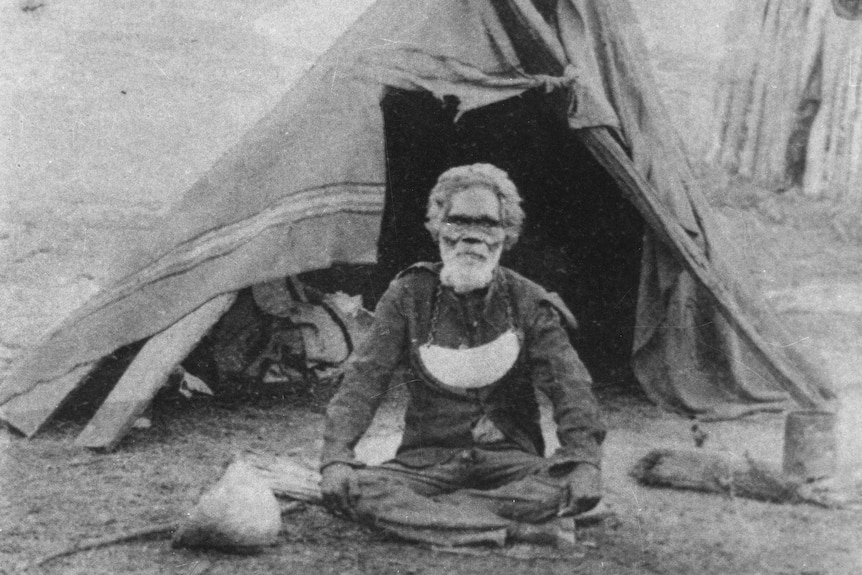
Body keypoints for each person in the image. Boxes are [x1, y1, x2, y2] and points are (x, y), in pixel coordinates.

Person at [319, 163, 605, 547]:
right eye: (458, 222)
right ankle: (514, 529)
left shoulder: (530, 301)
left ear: (507, 234)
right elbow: (364, 380)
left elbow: (570, 385)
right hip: (427, 463)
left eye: (487, 224)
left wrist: (584, 459)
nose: (472, 236)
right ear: (438, 227)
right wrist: (336, 455)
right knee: (358, 487)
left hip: (511, 462)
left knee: (567, 485)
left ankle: (438, 519)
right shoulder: (407, 295)